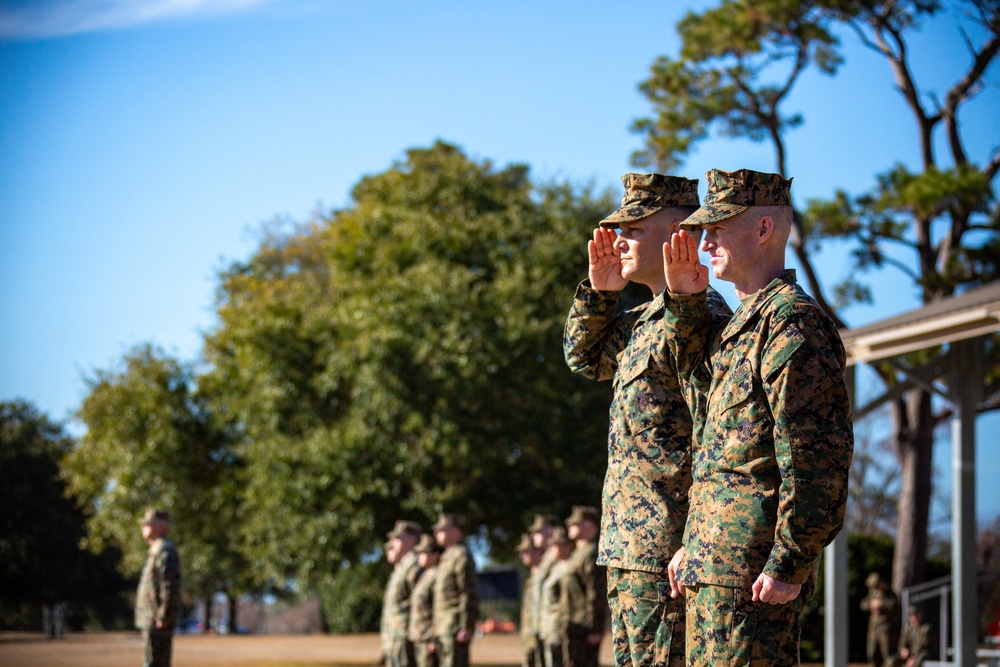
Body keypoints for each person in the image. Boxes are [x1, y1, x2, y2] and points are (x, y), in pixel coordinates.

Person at [662, 168, 854, 666]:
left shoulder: (794, 322)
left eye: (717, 229)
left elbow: (816, 457)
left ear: (764, 229)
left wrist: (790, 560)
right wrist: (695, 541)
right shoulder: (742, 326)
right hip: (714, 568)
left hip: (752, 577)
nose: (705, 244)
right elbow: (714, 446)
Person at [564, 172, 731, 667]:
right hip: (629, 545)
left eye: (633, 228)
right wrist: (600, 294)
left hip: (669, 551)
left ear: (679, 230)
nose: (619, 240)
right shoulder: (641, 322)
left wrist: (695, 537)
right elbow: (584, 358)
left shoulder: (704, 319)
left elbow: (716, 436)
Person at [135, 508, 181, 667]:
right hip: (152, 619)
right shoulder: (156, 549)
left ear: (161, 526)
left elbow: (169, 585)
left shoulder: (164, 550)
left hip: (157, 621)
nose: (144, 527)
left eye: (149, 524)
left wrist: (164, 615)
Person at [432, 513, 479, 667]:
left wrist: (466, 626)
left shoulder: (461, 556)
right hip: (443, 627)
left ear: (455, 531)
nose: (437, 533)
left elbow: (468, 592)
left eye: (442, 530)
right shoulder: (447, 556)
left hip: (454, 627)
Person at [564, 506, 606, 667]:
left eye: (575, 523)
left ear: (589, 526)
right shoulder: (577, 554)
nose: (569, 526)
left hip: (585, 628)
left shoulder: (591, 553)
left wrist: (595, 628)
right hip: (574, 624)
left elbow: (595, 591)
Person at [381, 520, 423, 667]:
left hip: (405, 634)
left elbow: (419, 600)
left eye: (398, 538)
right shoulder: (404, 565)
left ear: (411, 539)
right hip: (395, 634)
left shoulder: (415, 564)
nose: (393, 542)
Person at [538, 527, 577, 667]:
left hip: (560, 629)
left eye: (556, 545)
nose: (552, 548)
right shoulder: (555, 568)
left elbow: (573, 601)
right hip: (550, 628)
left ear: (567, 546)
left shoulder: (569, 569)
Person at [528, 514, 561, 667]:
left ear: (550, 531)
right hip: (543, 625)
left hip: (554, 626)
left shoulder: (557, 556)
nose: (534, 536)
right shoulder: (547, 558)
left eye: (538, 532)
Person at [409, 534, 443, 667]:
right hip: (420, 637)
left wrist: (433, 639)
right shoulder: (424, 576)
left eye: (424, 553)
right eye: (419, 553)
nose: (420, 556)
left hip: (428, 638)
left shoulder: (436, 576)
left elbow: (437, 609)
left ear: (435, 555)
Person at [861, 572, 900, 667]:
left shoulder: (888, 593)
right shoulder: (872, 593)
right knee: (872, 653)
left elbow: (894, 605)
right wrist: (871, 604)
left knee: (888, 654)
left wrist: (881, 603)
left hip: (885, 627)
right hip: (874, 627)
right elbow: (863, 605)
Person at [517, 533, 544, 667]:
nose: (523, 555)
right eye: (522, 552)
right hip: (529, 636)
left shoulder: (545, 576)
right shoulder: (532, 577)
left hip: (541, 636)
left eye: (527, 551)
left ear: (539, 551)